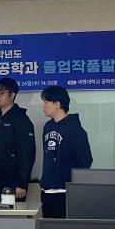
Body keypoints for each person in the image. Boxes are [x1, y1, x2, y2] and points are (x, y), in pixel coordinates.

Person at [39, 86, 93, 219]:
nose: (43, 106)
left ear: (57, 104)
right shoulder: (47, 127)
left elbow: (85, 161)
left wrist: (71, 184)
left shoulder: (75, 129)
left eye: (46, 102)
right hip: (47, 191)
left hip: (65, 192)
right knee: (49, 228)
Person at [0, 78, 36, 202]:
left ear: (12, 95)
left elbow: (27, 154)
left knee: (12, 213)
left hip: (13, 181)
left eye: (1, 93)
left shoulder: (21, 120)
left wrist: (22, 183)